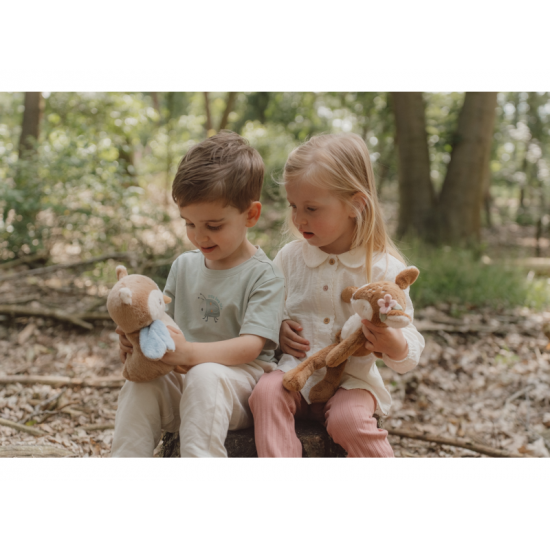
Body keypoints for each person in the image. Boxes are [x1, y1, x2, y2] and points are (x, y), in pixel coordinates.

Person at [248, 133, 425, 457]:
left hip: (352, 384)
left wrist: (394, 345)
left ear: (355, 205)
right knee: (265, 394)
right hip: (295, 373)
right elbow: (261, 307)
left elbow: (410, 342)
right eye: (294, 206)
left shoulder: (384, 269)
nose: (299, 219)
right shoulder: (289, 259)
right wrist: (278, 326)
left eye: (312, 208)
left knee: (349, 421)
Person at [111, 131, 285, 457]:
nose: (198, 236)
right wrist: (138, 340)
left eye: (214, 225)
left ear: (251, 214)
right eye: (189, 223)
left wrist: (190, 353)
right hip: (183, 380)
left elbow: (251, 346)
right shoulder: (184, 266)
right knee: (141, 387)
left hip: (240, 388)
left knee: (205, 376)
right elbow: (162, 324)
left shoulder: (265, 274)